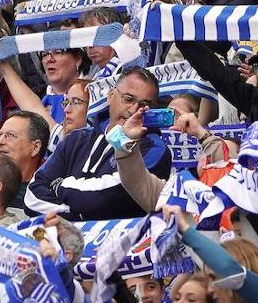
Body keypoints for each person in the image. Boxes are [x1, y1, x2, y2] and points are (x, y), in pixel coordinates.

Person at [26, 67, 168, 220]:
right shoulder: (77, 138)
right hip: (65, 237)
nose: (134, 110)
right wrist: (74, 215)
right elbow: (32, 196)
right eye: (128, 99)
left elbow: (112, 196)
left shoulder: (155, 148)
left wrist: (60, 186)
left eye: (144, 105)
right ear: (111, 96)